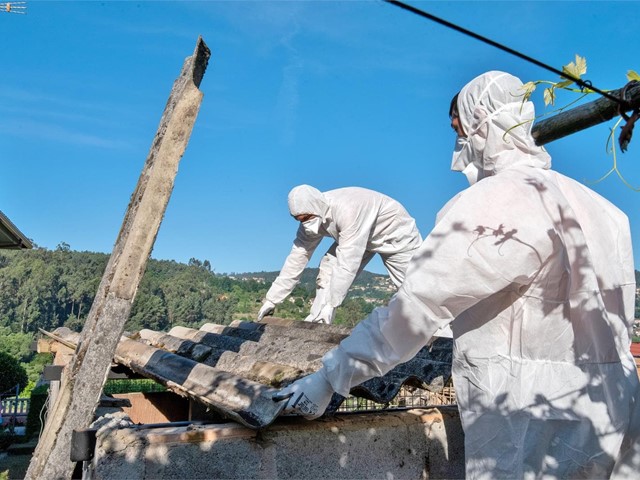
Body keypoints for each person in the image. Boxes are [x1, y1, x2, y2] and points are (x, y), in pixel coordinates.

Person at [275, 71, 640, 479]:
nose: (458, 150)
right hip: (613, 414)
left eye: (459, 131)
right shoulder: (607, 212)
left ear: (482, 121)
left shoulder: (493, 203)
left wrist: (332, 375)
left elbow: (417, 307)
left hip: (528, 423)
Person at [257, 185, 422, 324]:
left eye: (307, 218)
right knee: (328, 268)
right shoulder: (311, 217)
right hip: (356, 235)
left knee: (413, 287)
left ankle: (437, 334)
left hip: (394, 234)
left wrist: (332, 303)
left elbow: (348, 262)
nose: (305, 224)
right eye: (299, 220)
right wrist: (272, 299)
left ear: (316, 207)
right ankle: (319, 319)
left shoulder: (347, 210)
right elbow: (296, 258)